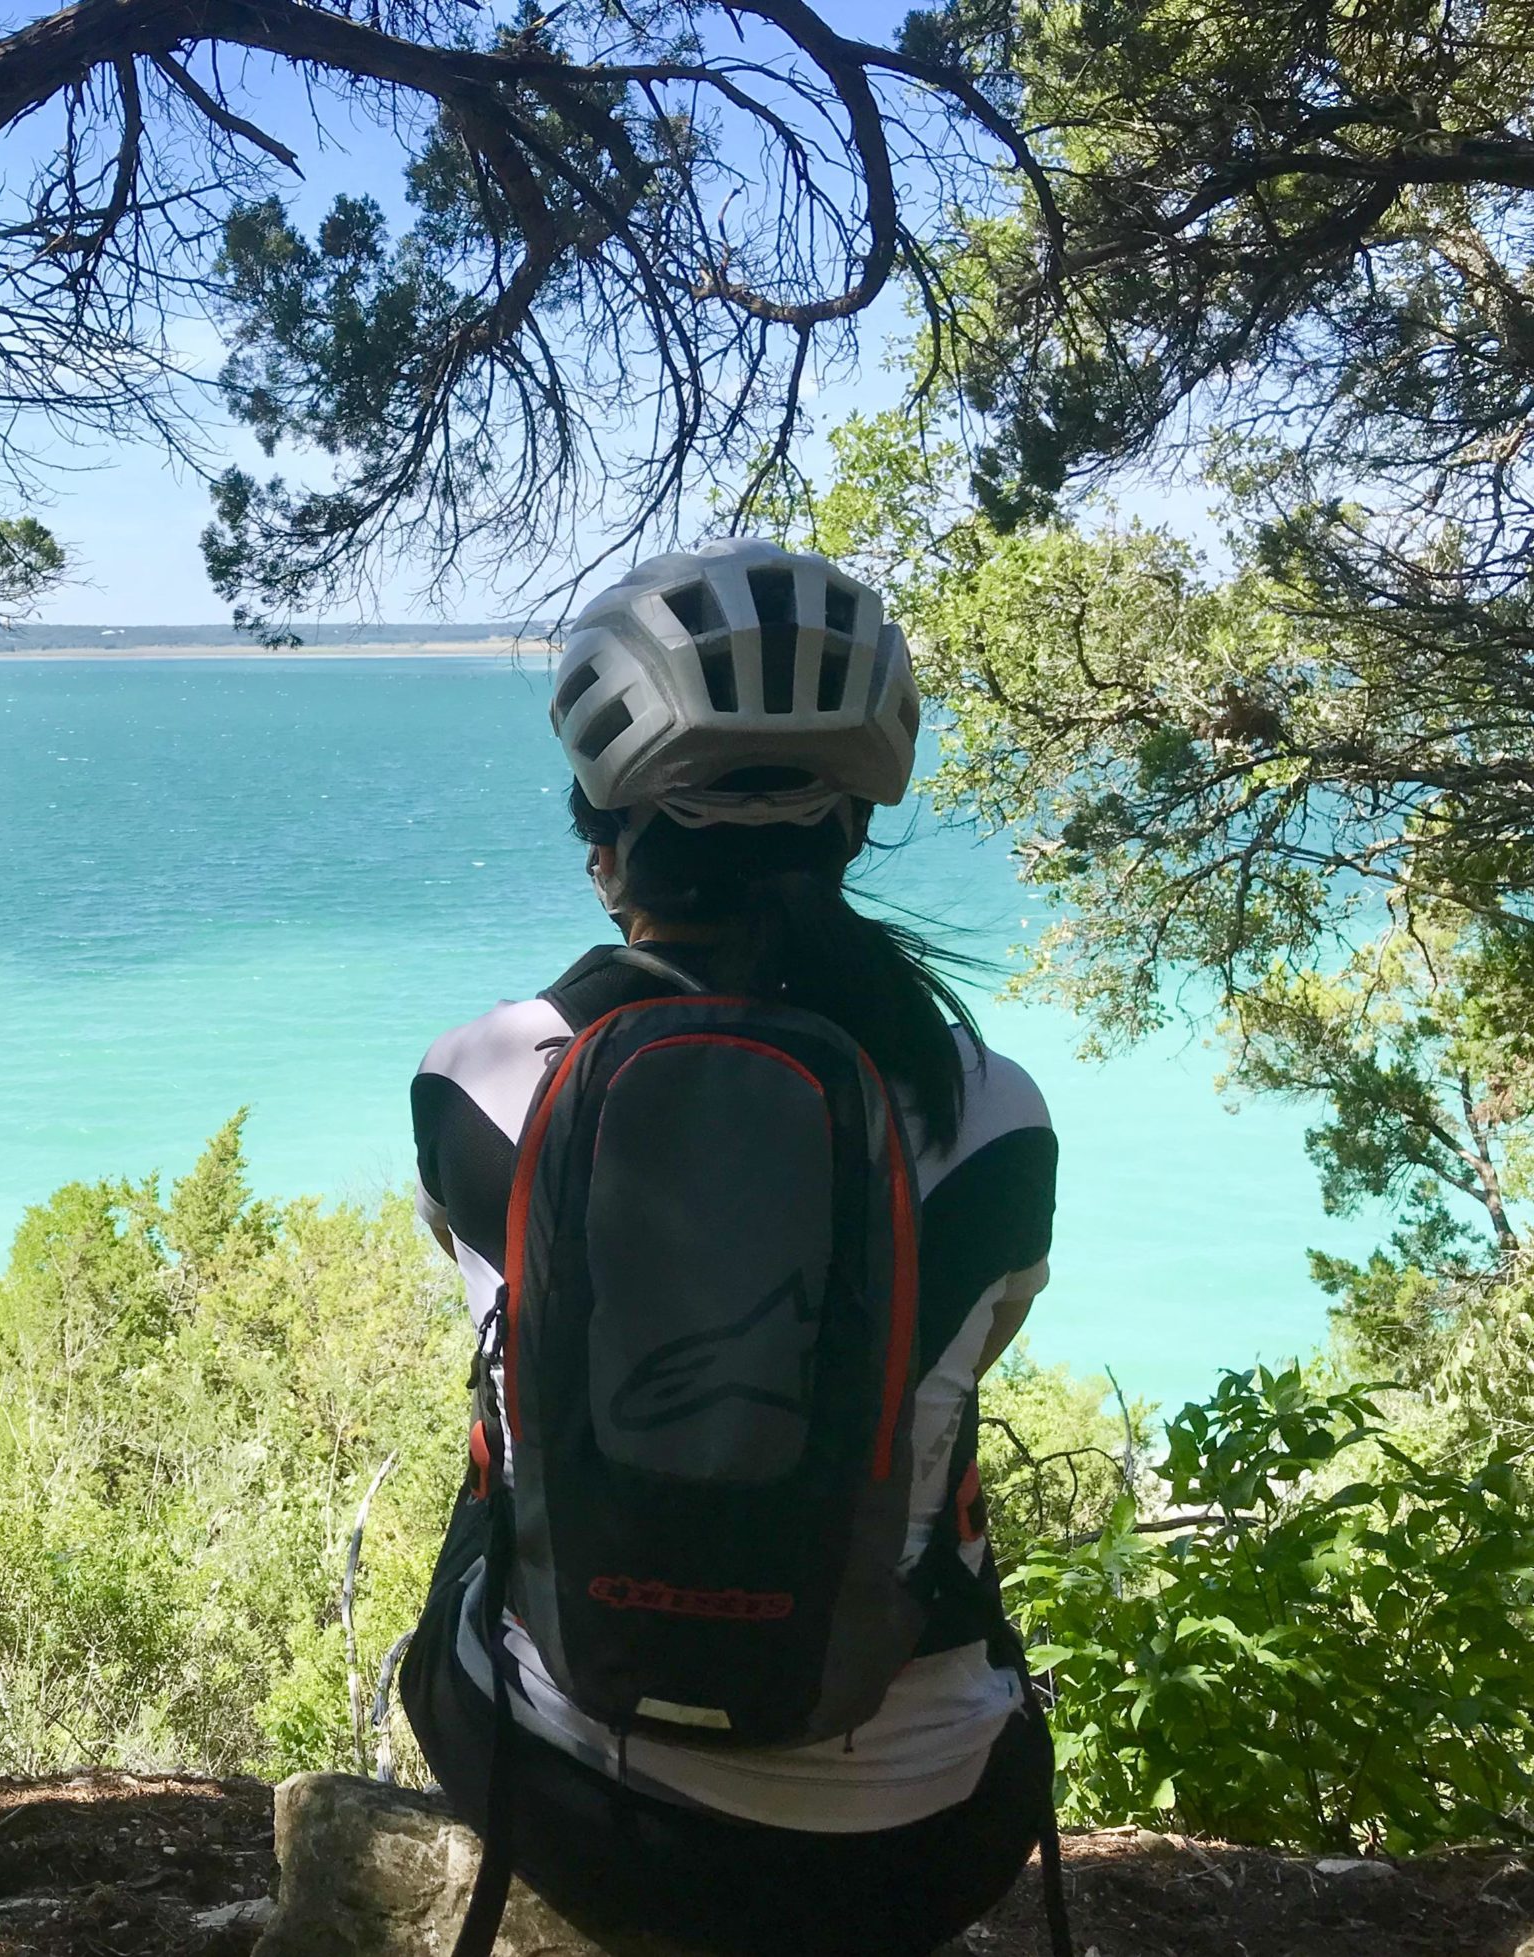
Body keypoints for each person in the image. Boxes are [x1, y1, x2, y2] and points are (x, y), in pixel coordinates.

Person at [400, 538, 1060, 1957]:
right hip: (925, 1839)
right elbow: (979, 1341)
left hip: (594, 1820)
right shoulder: (996, 1112)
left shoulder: (476, 1081)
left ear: (603, 840)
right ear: (851, 833)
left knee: (491, 1449)